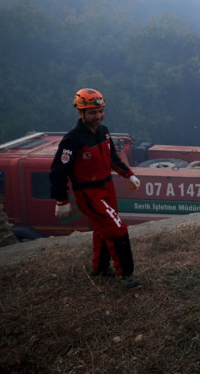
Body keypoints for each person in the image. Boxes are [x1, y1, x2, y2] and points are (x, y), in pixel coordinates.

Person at [50, 88, 142, 288]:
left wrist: (129, 174)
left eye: (101, 111)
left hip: (107, 187)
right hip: (88, 193)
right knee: (117, 229)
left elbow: (111, 158)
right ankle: (126, 273)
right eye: (93, 112)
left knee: (103, 228)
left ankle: (100, 267)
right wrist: (61, 200)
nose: (98, 116)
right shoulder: (72, 139)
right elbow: (58, 171)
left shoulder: (103, 131)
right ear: (80, 113)